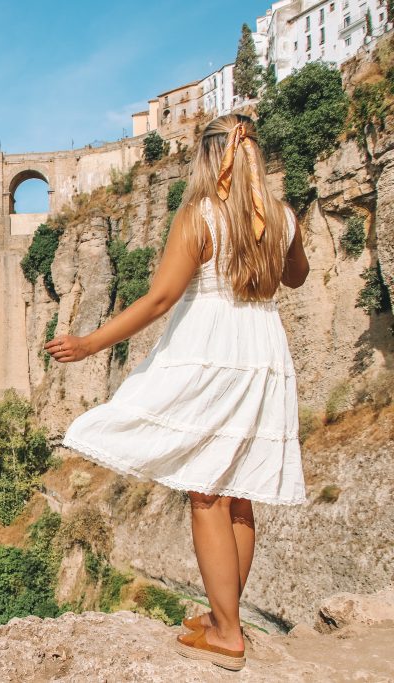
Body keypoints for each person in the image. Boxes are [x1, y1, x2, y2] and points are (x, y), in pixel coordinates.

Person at [45, 113, 310, 672]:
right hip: (264, 352)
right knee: (240, 493)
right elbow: (296, 279)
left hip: (212, 351)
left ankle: (228, 635)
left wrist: (90, 344)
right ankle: (223, 618)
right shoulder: (283, 217)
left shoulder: (200, 216)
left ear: (211, 158)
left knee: (205, 490)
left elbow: (161, 299)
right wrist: (279, 238)